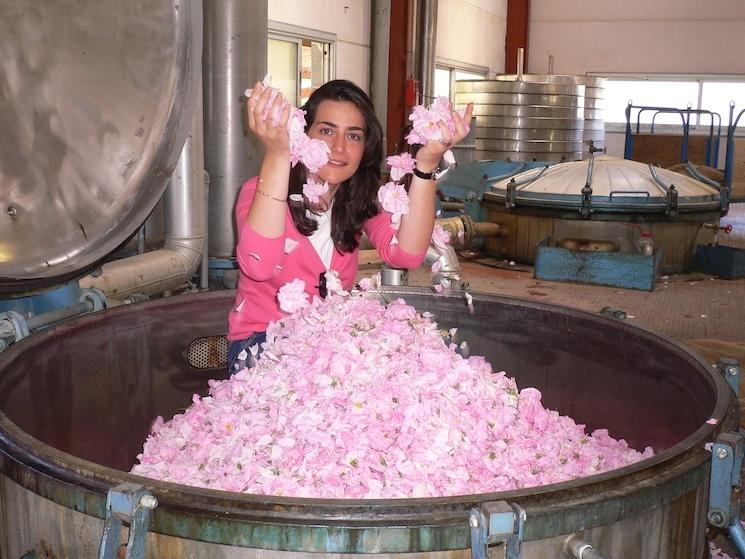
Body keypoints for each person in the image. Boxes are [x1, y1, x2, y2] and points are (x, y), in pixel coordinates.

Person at [226, 78, 473, 372]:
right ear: (303, 136)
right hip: (262, 348)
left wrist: (427, 165)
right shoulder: (259, 192)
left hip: (330, 347)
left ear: (365, 147)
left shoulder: (357, 202)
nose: (339, 147)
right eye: (327, 130)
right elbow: (259, 265)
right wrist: (278, 154)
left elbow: (407, 254)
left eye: (353, 136)